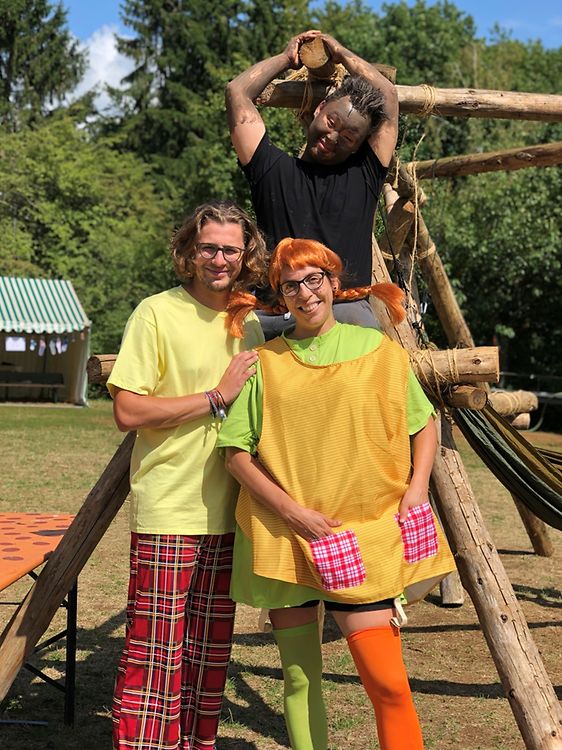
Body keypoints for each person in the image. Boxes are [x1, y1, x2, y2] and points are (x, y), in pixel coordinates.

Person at [218, 238, 456, 749]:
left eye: (313, 280)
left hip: (365, 537)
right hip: (286, 538)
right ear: (281, 297)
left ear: (333, 283)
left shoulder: (381, 352)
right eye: (290, 286)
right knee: (300, 681)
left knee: (389, 685)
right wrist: (292, 512)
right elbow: (235, 452)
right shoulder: (265, 362)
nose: (305, 294)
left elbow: (423, 424)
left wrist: (417, 489)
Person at [107, 201, 267, 750]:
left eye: (230, 249)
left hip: (232, 510)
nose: (219, 259)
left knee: (207, 654)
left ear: (246, 255)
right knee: (155, 653)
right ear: (189, 251)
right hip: (170, 505)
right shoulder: (156, 313)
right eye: (208, 248)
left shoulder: (249, 323)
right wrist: (215, 397)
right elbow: (128, 410)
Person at [226, 30, 399, 338]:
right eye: (332, 122)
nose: (333, 137)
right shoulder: (271, 169)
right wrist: (286, 58)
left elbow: (388, 96)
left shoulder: (366, 174)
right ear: (319, 110)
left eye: (348, 137)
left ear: (359, 146)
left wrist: (341, 52)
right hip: (277, 319)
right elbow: (236, 91)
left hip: (344, 318)